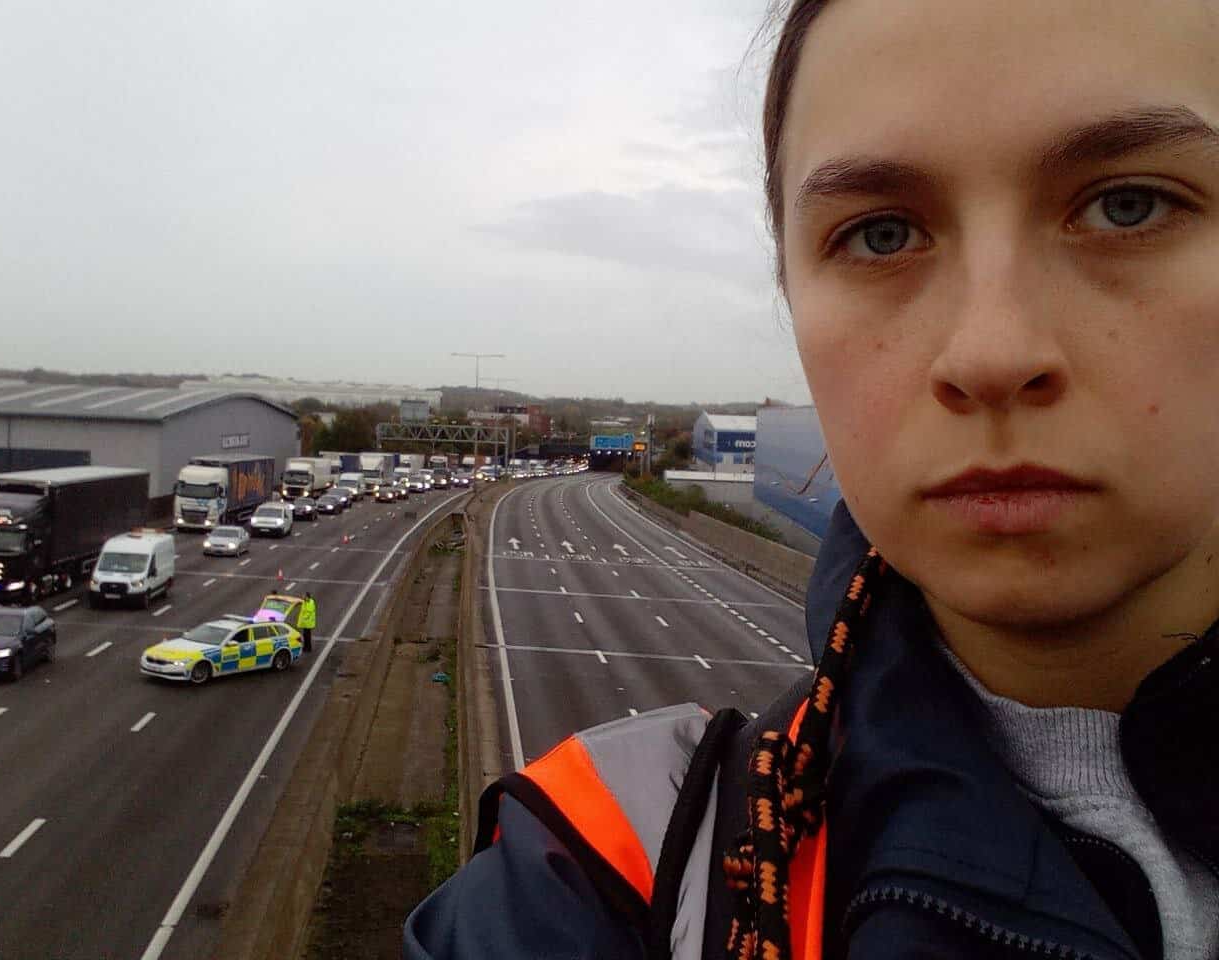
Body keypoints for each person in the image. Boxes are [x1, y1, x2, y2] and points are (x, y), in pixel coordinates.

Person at [405, 1, 1219, 957]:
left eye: (1130, 204)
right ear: (792, 292)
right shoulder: (607, 874)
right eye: (880, 234)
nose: (991, 352)